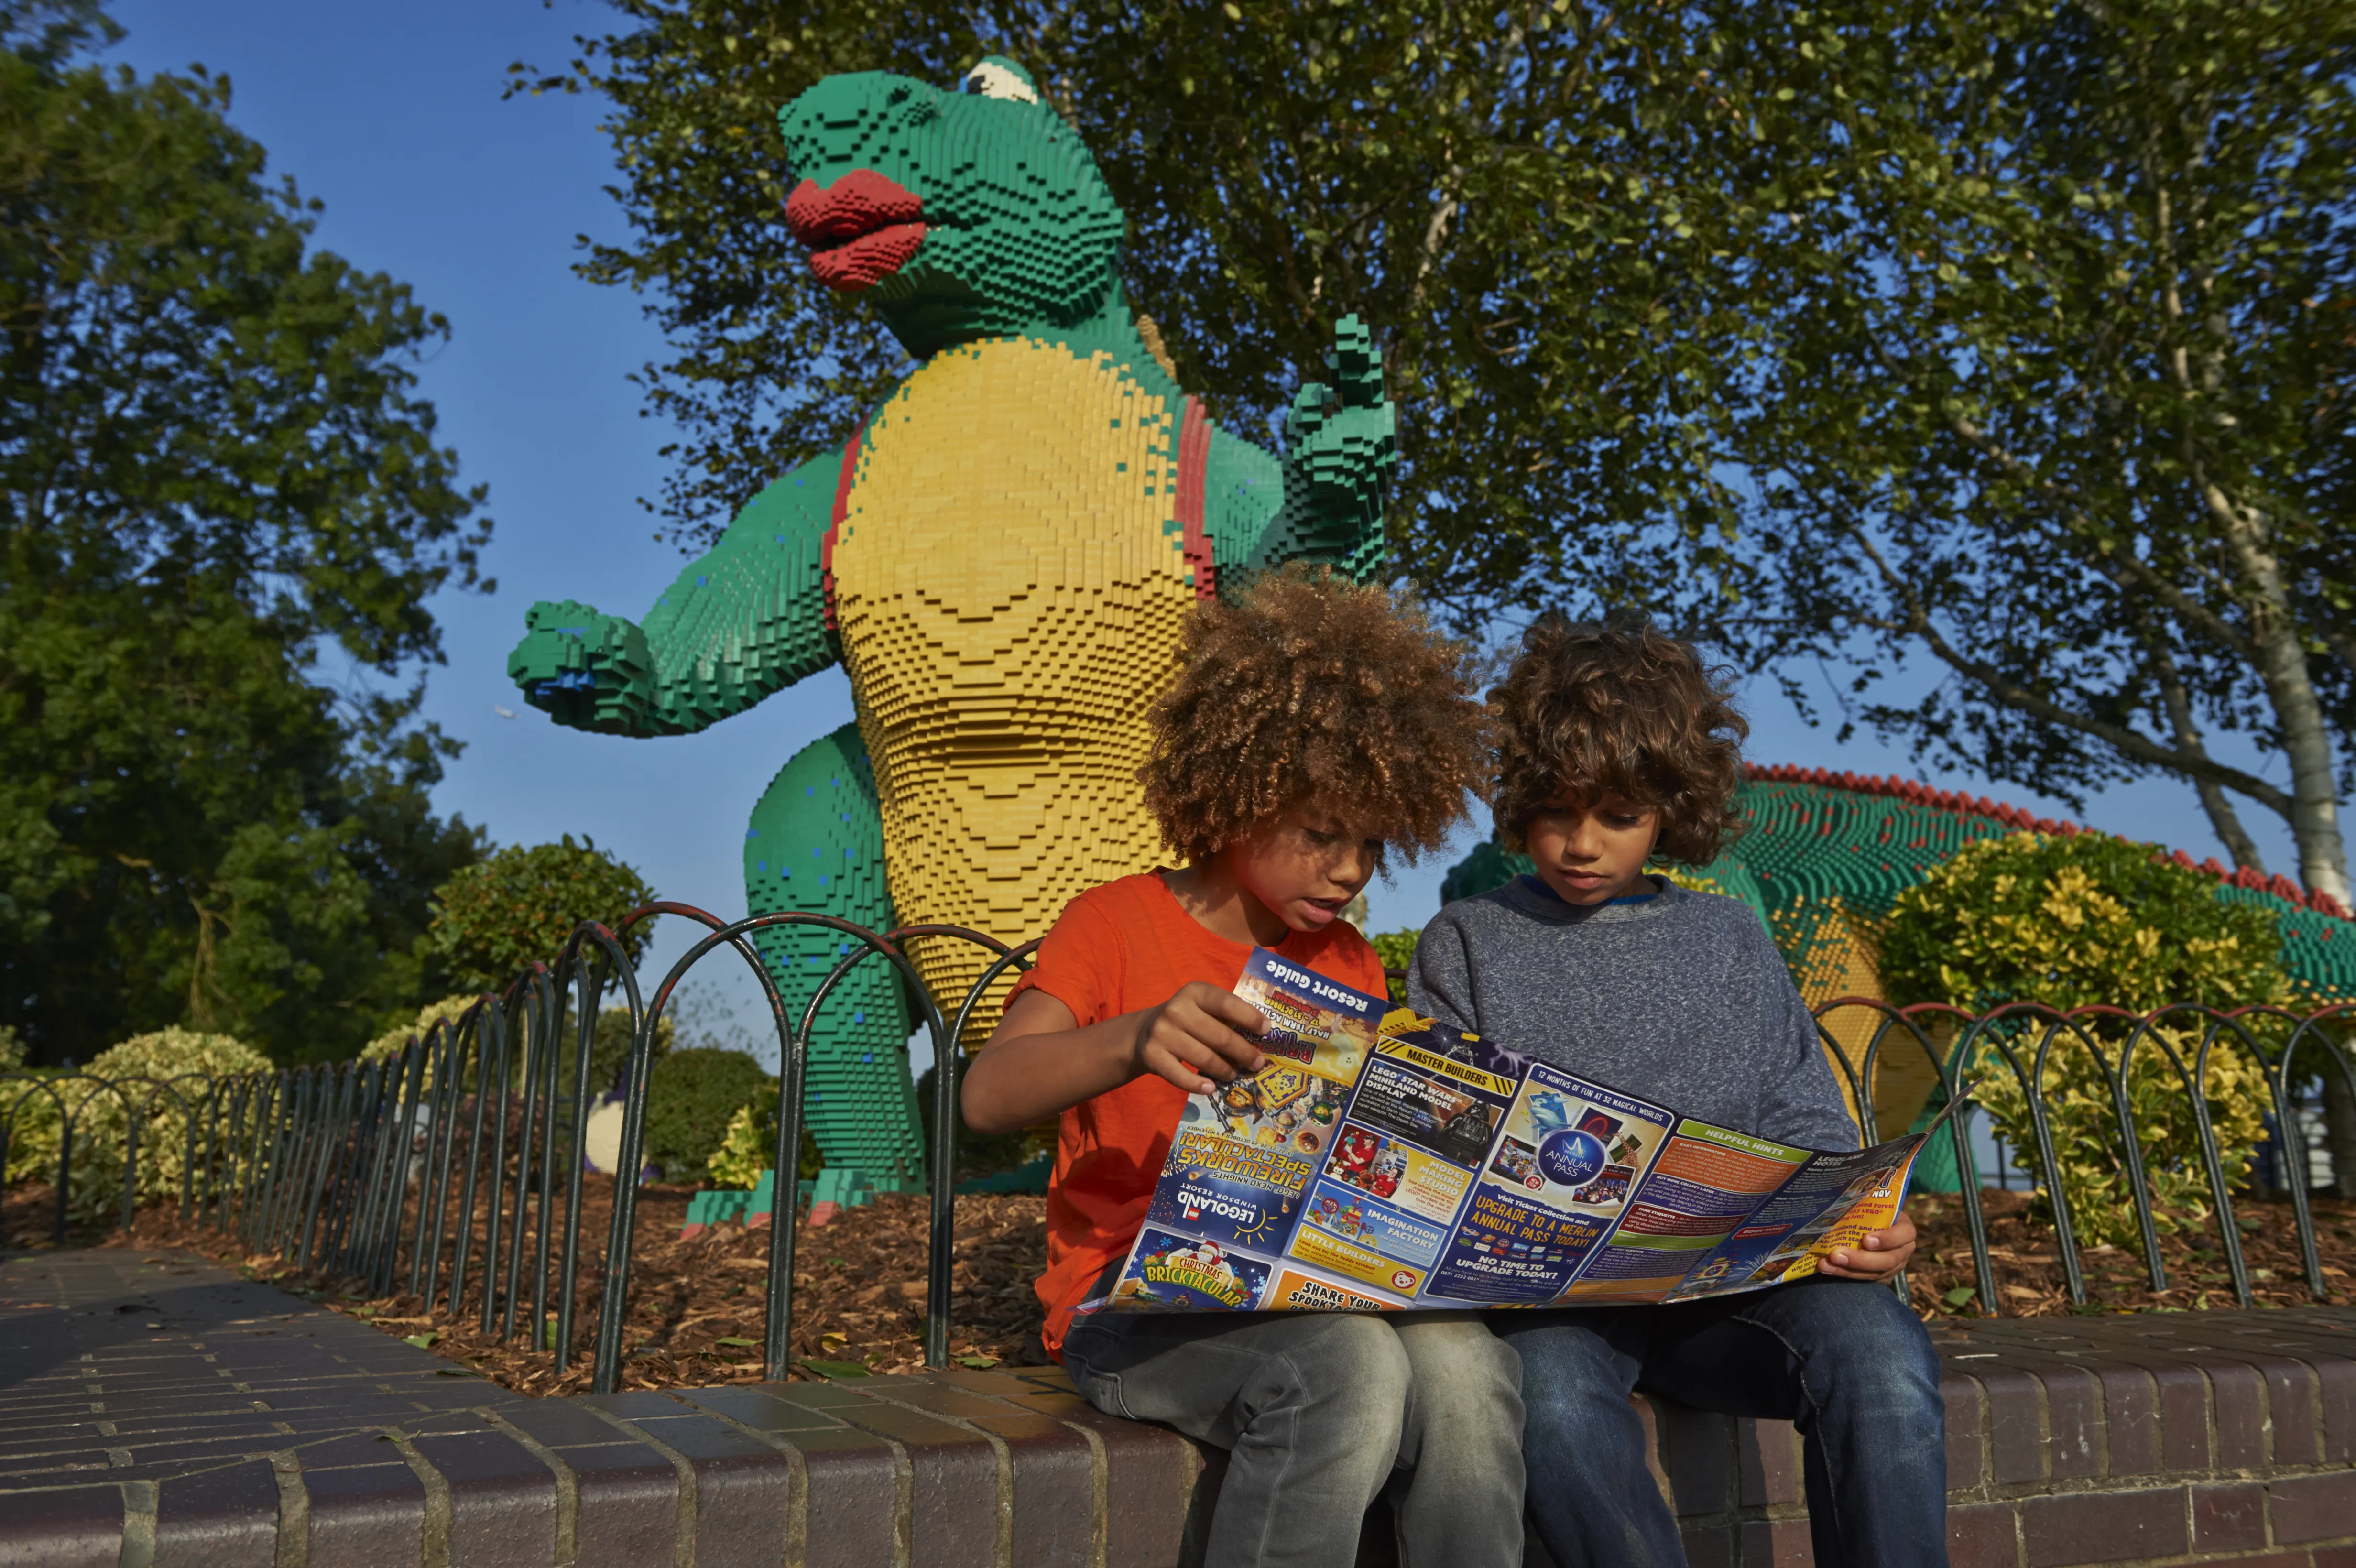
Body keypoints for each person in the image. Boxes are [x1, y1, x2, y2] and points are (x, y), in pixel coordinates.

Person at [962, 564, 1522, 1568]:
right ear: (1234, 797)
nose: (1350, 871)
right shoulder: (1112, 920)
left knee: (1466, 1364)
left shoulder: (1345, 959)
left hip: (1298, 1283)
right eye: (1320, 834)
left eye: (1370, 842)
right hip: (1130, 1300)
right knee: (1347, 1367)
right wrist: (1133, 1037)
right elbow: (988, 1093)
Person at [1409, 615, 1949, 1568]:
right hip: (1556, 1313)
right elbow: (1438, 1150)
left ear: (1668, 808)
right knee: (1555, 1410)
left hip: (1730, 1295)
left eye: (1615, 816)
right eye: (1555, 811)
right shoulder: (1465, 940)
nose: (1579, 844)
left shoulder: (1728, 937)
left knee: (1881, 1355)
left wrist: (1862, 1224)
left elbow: (1808, 1123)